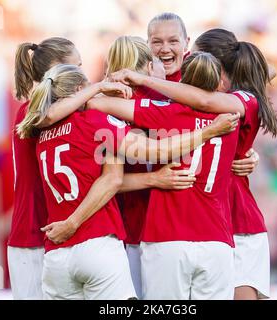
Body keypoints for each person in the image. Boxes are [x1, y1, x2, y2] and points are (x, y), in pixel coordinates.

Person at [17, 63, 239, 300]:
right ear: (82, 89)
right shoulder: (93, 121)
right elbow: (156, 152)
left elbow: (108, 176)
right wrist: (207, 132)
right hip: (95, 243)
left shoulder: (40, 132)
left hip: (56, 256)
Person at [110, 28, 277, 299]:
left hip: (226, 220)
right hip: (202, 224)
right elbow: (266, 72)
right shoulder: (231, 104)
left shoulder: (223, 102)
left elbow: (206, 98)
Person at [87, 52, 240, 300]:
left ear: (181, 82)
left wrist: (112, 87)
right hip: (216, 239)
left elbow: (95, 104)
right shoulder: (233, 116)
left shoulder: (165, 113)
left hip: (167, 237)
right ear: (220, 83)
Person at [10, 37, 132, 300]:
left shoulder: (62, 113)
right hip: (34, 233)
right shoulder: (34, 114)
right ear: (56, 73)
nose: (82, 74)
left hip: (58, 236)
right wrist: (98, 89)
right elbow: (49, 115)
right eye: (76, 67)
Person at [147, 12, 260, 176]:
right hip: (149, 190)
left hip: (207, 191)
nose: (165, 49)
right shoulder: (138, 75)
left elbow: (267, 73)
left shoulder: (200, 72)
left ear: (186, 43)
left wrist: (246, 150)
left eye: (173, 41)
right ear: (147, 44)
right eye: (157, 42)